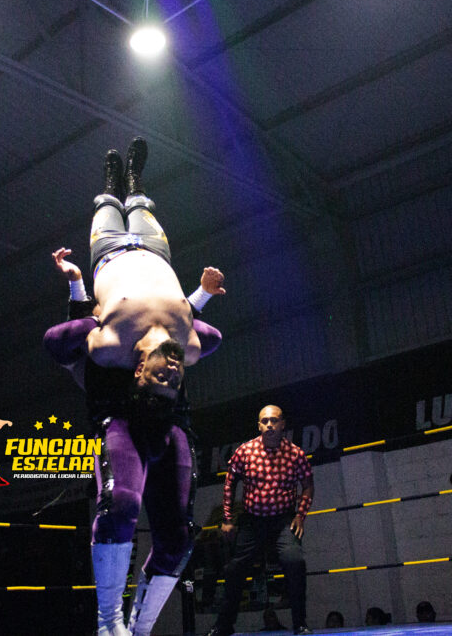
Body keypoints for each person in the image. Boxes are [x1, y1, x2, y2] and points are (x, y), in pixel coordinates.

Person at [43, 137, 225, 636]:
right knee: (140, 203)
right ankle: (134, 180)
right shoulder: (189, 344)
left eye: (163, 375)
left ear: (138, 367)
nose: (172, 372)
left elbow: (59, 341)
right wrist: (201, 295)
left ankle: (123, 627)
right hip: (155, 252)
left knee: (106, 203)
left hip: (108, 256)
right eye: (173, 377)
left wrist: (79, 291)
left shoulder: (109, 347)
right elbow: (197, 327)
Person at [205, 405, 315, 636]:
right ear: (258, 425)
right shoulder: (245, 451)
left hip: (283, 520)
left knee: (295, 562)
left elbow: (307, 486)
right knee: (234, 569)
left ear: (282, 424)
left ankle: (300, 623)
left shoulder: (296, 454)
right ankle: (224, 625)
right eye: (265, 421)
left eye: (274, 420)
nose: (269, 425)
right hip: (252, 521)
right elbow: (229, 483)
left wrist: (300, 515)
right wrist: (227, 518)